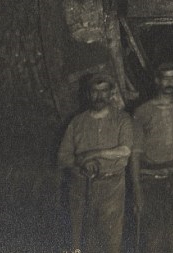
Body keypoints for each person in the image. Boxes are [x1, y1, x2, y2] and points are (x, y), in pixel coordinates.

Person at [57, 74, 134, 253]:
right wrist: (80, 163)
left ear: (111, 94)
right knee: (81, 241)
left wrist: (93, 154)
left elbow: (125, 151)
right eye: (95, 91)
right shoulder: (77, 122)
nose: (99, 96)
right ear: (88, 94)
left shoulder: (122, 119)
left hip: (112, 189)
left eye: (104, 91)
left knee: (111, 241)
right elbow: (62, 157)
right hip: (81, 189)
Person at [131, 64, 173, 253]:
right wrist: (136, 189)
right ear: (157, 81)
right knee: (155, 233)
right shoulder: (142, 112)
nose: (169, 82)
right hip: (151, 179)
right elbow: (134, 154)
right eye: (165, 78)